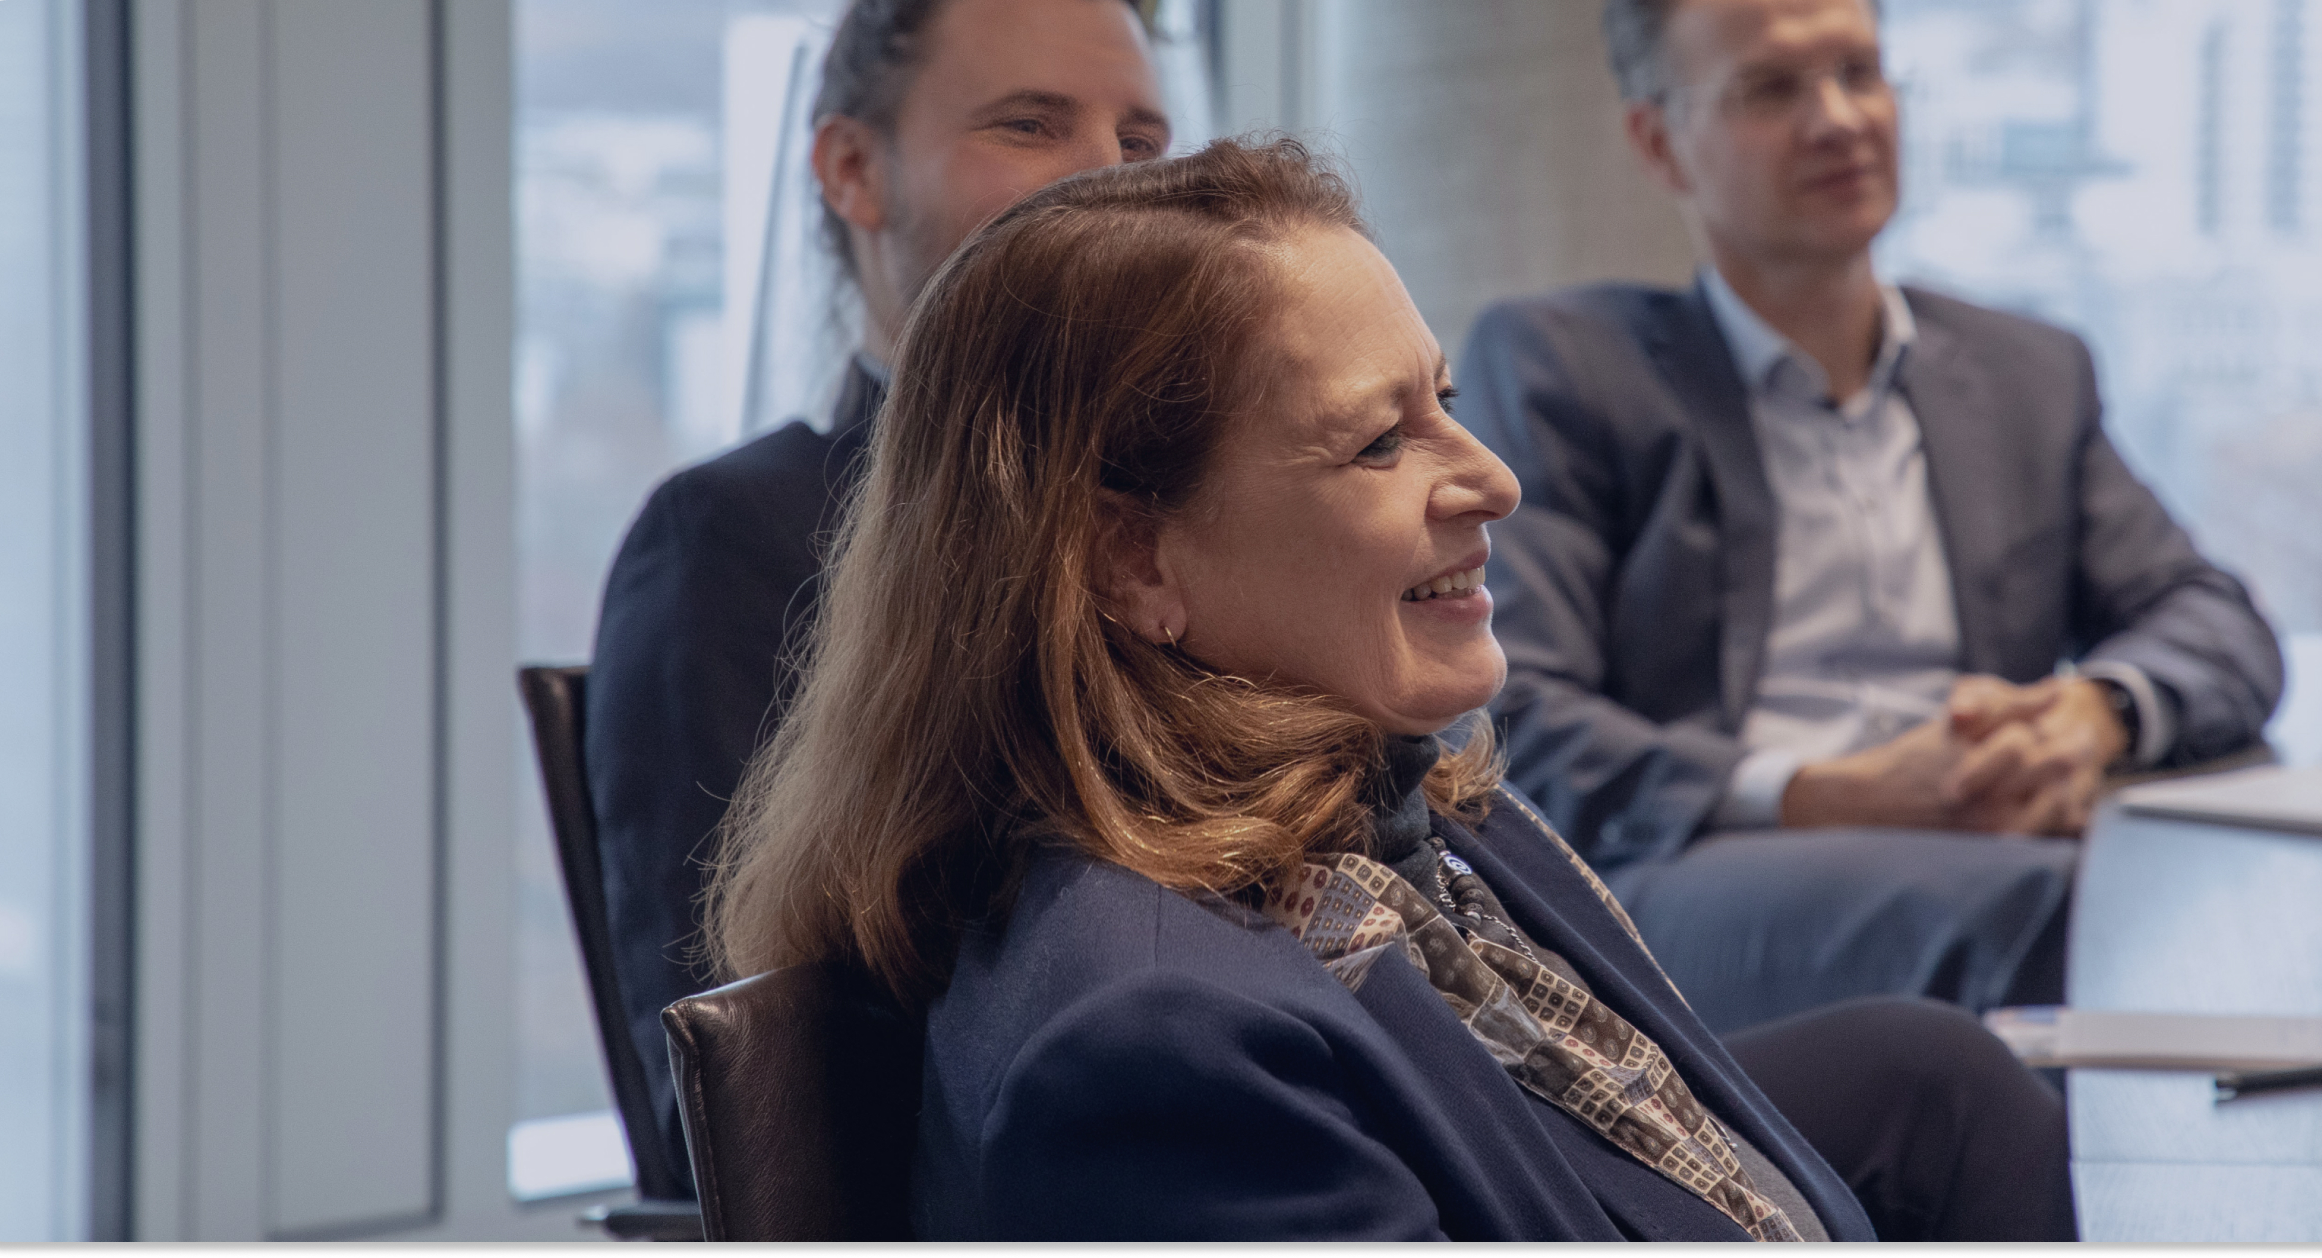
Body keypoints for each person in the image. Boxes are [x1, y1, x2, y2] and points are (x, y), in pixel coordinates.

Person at [702, 138, 2078, 1241]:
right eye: (1378, 442)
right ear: (1133, 559)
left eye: (1446, 399)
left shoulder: (1406, 797)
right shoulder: (1155, 1047)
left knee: (1943, 1077)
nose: (1492, 477)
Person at [1454, 0, 2284, 1029]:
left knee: (2252, 883)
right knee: (2074, 910)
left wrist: (2092, 714)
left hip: (1991, 848)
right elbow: (1510, 718)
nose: (1840, 118)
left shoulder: (2024, 373)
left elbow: (2214, 618)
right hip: (1700, 869)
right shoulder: (1567, 370)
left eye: (1858, 70)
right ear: (1658, 142)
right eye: (1771, 87)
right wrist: (1826, 790)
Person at [582, 0, 1171, 1192]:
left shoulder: (1202, 531)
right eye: (1029, 125)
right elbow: (736, 1115)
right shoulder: (736, 543)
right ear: (854, 168)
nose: (1109, 185)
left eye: (1141, 144)